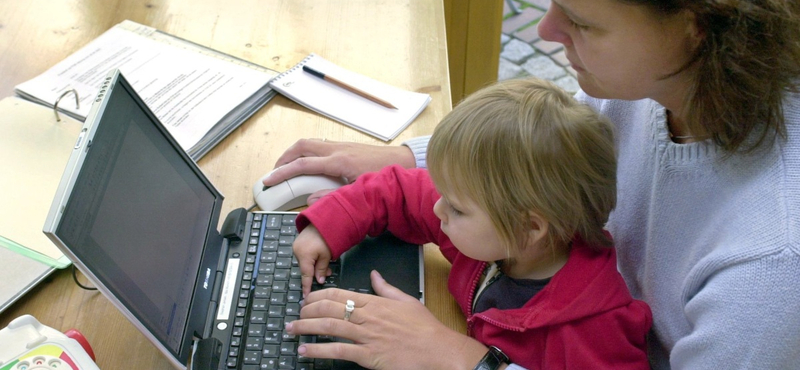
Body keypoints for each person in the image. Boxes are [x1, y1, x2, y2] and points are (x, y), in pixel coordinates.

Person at [274, 0, 800, 368]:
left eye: (581, 22)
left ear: (694, 25)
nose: (545, 29)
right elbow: (537, 151)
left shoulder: (769, 264)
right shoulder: (645, 83)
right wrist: (405, 158)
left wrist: (467, 362)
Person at [290, 78, 652, 369]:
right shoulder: (502, 239)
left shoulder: (594, 333)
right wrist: (331, 222)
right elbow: (402, 189)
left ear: (530, 228)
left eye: (457, 208)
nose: (436, 209)